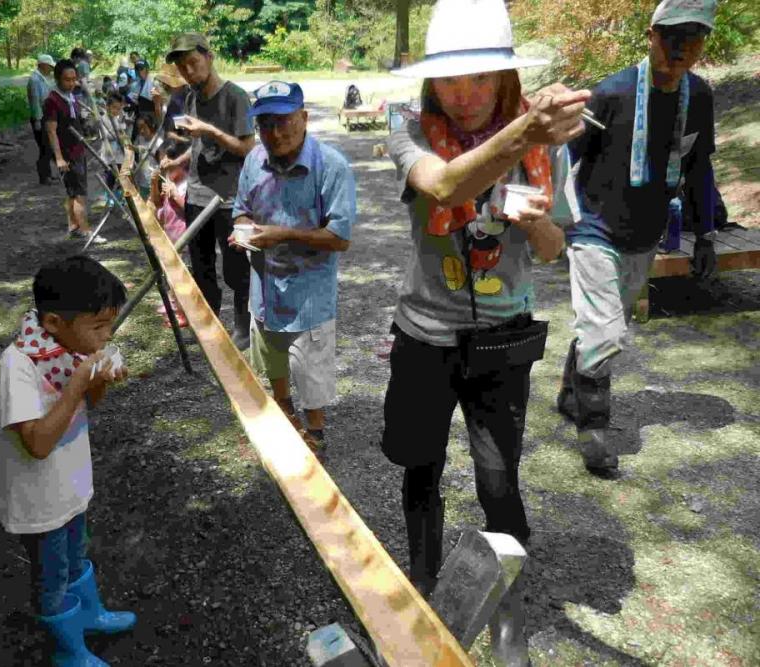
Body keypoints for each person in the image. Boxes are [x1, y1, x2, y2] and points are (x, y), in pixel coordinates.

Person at [384, 0, 589, 663]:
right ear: (431, 81)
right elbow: (443, 187)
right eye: (451, 79)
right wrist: (527, 133)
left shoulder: (544, 147)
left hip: (502, 339)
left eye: (481, 79)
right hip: (424, 334)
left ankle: (507, 612)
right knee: (422, 466)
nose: (465, 96)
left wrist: (532, 220)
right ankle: (422, 582)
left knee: (498, 481)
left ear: (507, 80)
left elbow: (556, 248)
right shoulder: (406, 126)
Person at [556, 0, 718, 478]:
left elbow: (699, 168)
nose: (680, 47)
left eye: (693, 37)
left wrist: (705, 233)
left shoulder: (700, 97)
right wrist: (547, 219)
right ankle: (594, 428)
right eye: (672, 34)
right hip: (593, 228)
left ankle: (571, 394)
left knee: (601, 326)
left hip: (645, 235)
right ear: (650, 34)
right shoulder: (613, 93)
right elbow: (564, 158)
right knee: (606, 331)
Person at [0, 256, 136, 666]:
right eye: (98, 326)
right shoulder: (19, 365)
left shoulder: (65, 349)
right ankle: (68, 652)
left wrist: (99, 382)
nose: (106, 336)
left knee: (76, 556)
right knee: (52, 576)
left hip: (69, 485)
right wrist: (79, 382)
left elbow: (87, 404)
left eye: (109, 324)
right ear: (54, 322)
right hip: (40, 501)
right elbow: (37, 443)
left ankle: (90, 616)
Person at [230, 81, 356, 451]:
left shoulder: (331, 166)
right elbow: (241, 208)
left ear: (304, 118)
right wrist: (242, 230)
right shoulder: (254, 159)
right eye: (265, 123)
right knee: (272, 355)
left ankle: (315, 430)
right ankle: (284, 413)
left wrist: (283, 235)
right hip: (264, 283)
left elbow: (340, 237)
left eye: (284, 121)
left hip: (309, 289)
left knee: (310, 365)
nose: (275, 132)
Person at [165, 32, 255, 350]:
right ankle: (211, 328)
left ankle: (243, 329)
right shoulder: (191, 98)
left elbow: (247, 148)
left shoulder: (236, 97)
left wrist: (211, 130)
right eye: (182, 68)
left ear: (209, 57)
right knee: (201, 269)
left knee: (237, 270)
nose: (189, 72)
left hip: (231, 200)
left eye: (193, 63)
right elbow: (198, 143)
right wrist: (176, 162)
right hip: (196, 196)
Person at [44, 59, 93, 239]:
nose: (72, 83)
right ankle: (86, 229)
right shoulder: (52, 100)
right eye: (67, 79)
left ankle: (73, 226)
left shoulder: (70, 95)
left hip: (77, 149)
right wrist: (59, 157)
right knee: (79, 192)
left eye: (74, 79)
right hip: (67, 153)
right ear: (57, 79)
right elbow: (51, 130)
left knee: (72, 192)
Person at [150, 145, 191, 328]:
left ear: (183, 165)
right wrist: (154, 184)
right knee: (171, 275)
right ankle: (175, 305)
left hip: (184, 238)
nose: (167, 172)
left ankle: (183, 313)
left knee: (181, 277)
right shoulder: (168, 180)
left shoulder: (187, 186)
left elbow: (190, 211)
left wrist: (174, 195)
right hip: (170, 236)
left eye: (170, 168)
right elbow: (157, 203)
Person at [28, 54, 57, 185]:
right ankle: (44, 176)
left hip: (45, 115)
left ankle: (48, 174)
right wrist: (38, 120)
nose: (51, 69)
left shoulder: (42, 78)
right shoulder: (35, 80)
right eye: (49, 66)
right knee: (45, 147)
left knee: (48, 146)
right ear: (43, 65)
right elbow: (35, 102)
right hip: (40, 117)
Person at [153, 63, 189, 135]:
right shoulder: (173, 96)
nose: (165, 85)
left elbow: (186, 125)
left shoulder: (187, 97)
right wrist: (157, 105)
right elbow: (163, 124)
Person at [133, 113, 159, 196]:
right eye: (139, 128)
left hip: (154, 184)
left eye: (144, 127)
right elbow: (136, 150)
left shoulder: (158, 142)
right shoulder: (140, 138)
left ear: (151, 126)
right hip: (142, 181)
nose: (141, 131)